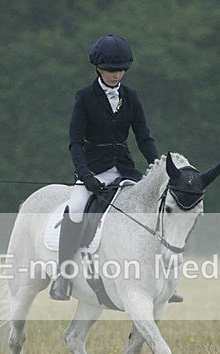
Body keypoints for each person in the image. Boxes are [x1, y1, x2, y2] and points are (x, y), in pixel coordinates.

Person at [50, 33, 160, 300]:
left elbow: (143, 138)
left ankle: (160, 280)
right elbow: (75, 142)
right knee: (76, 209)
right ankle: (63, 276)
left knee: (152, 211)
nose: (115, 75)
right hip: (93, 170)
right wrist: (85, 174)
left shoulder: (130, 97)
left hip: (124, 169)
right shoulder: (85, 97)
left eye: (120, 70)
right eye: (111, 70)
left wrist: (159, 168)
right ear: (98, 68)